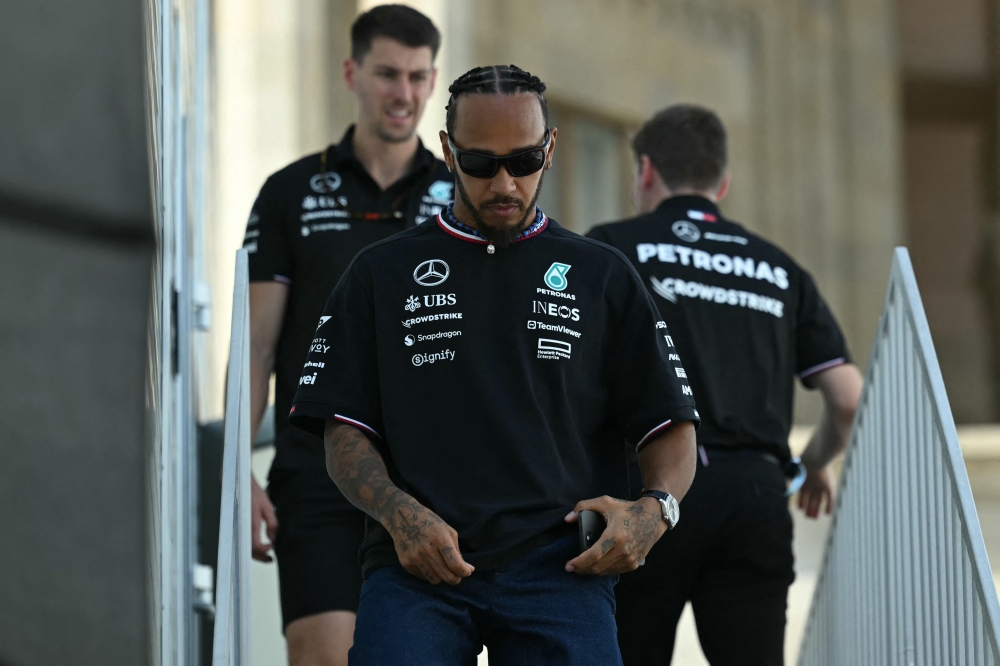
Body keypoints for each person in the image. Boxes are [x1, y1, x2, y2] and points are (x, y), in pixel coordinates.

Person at [287, 65, 700, 665]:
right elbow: (342, 432)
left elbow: (671, 427)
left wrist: (654, 513)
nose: (504, 182)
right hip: (417, 568)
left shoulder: (602, 275)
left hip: (563, 569)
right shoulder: (380, 274)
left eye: (524, 161)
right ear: (447, 151)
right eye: (481, 164)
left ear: (551, 148)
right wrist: (396, 512)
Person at [586, 104, 864, 666]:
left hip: (649, 492)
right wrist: (811, 464)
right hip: (754, 496)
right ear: (724, 182)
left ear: (645, 171)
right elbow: (849, 398)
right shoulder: (779, 268)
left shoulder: (611, 246)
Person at [241, 6, 452, 665]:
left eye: (419, 77)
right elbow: (256, 345)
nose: (405, 93)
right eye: (388, 74)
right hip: (316, 472)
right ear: (351, 72)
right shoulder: (290, 192)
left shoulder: (463, 197)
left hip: (435, 478)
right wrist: (237, 478)